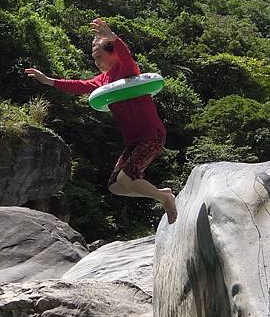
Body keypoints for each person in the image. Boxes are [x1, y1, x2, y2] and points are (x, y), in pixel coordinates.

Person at [24, 18, 177, 224]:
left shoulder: (127, 70)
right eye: (94, 59)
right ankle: (161, 192)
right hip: (134, 142)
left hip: (152, 135)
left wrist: (113, 37)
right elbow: (79, 85)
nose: (96, 62)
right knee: (116, 185)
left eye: (99, 57)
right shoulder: (102, 80)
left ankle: (165, 199)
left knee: (126, 178)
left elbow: (126, 55)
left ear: (113, 53)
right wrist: (48, 81)